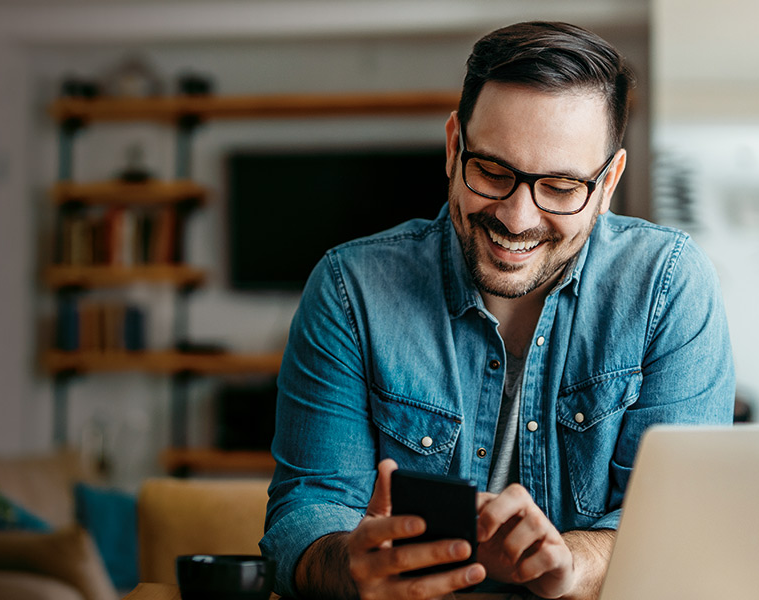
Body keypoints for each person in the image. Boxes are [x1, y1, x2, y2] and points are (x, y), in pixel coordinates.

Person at [260, 21, 734, 600]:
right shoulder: (348, 290)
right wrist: (346, 564)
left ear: (608, 181)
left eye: (560, 186)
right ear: (454, 147)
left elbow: (681, 527)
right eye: (493, 172)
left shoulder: (668, 287)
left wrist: (572, 562)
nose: (517, 218)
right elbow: (305, 513)